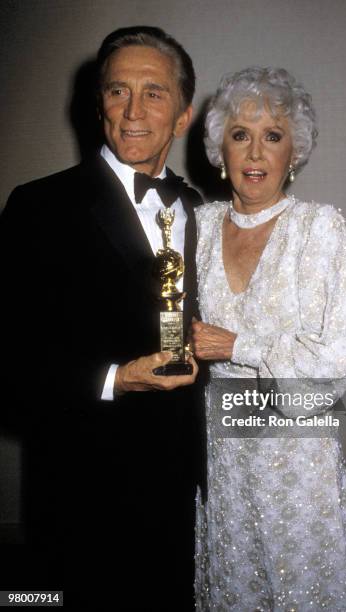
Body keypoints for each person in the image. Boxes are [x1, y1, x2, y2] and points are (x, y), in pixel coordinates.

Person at [0, 26, 204, 609]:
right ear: (98, 106)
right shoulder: (38, 207)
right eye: (118, 91)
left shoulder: (201, 211)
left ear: (183, 114)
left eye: (154, 93)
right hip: (83, 492)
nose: (134, 110)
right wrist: (117, 379)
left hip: (184, 491)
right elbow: (9, 363)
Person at [190, 67, 346, 611]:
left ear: (295, 153)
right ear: (221, 150)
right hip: (220, 452)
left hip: (296, 456)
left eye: (273, 136)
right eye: (241, 135)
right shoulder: (195, 226)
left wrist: (237, 345)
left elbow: (338, 360)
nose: (256, 152)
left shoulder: (319, 227)